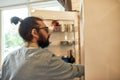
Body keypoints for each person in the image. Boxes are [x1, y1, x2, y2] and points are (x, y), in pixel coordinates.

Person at [1, 16, 84, 80]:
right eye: (46, 29)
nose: (49, 33)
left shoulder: (9, 57)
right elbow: (75, 70)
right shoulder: (46, 58)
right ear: (34, 33)